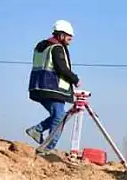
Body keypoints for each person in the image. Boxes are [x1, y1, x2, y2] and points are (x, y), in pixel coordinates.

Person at [26, 20, 79, 152]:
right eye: (68, 36)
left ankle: (37, 130)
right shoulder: (57, 48)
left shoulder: (42, 46)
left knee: (58, 115)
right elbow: (61, 68)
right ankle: (48, 147)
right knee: (59, 117)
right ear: (60, 35)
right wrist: (75, 79)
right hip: (53, 87)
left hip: (37, 86)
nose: (71, 39)